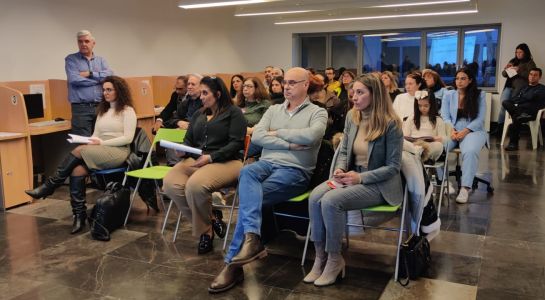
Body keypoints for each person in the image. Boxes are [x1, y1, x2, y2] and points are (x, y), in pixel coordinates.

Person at [208, 67, 328, 294]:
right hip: (266, 165)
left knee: (247, 198)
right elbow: (258, 136)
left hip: (295, 170)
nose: (287, 86)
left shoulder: (317, 113)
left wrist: (277, 133)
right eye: (285, 82)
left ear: (305, 85)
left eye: (293, 82)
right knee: (247, 172)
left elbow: (311, 137)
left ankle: (232, 264)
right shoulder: (273, 109)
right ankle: (252, 239)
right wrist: (290, 143)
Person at [304, 73, 403, 286]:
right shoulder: (352, 116)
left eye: (360, 92)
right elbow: (344, 149)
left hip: (378, 183)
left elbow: (393, 168)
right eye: (353, 93)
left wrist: (360, 177)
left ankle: (334, 258)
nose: (354, 97)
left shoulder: (391, 123)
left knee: (331, 201)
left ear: (375, 95)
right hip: (352, 175)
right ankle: (320, 257)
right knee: (314, 197)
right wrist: (340, 168)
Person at [25, 76, 137, 234]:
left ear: (119, 90)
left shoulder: (128, 111)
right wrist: (90, 141)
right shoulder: (102, 110)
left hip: (118, 151)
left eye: (109, 89)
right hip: (100, 149)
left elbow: (128, 138)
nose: (105, 93)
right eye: (104, 89)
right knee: (76, 171)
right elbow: (96, 134)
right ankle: (79, 215)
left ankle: (50, 186)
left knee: (78, 150)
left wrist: (101, 143)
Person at [162, 76, 246, 254]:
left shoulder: (234, 112)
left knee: (194, 185)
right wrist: (182, 150)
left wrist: (211, 157)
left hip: (227, 161)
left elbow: (236, 144)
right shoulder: (199, 114)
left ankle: (205, 234)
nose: (201, 97)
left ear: (217, 93)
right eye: (201, 93)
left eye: (205, 93)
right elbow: (189, 140)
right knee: (170, 183)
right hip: (197, 159)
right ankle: (211, 218)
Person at [440, 68, 487, 204]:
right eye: (457, 78)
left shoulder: (480, 95)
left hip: (473, 129)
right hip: (452, 129)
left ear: (470, 80)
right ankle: (443, 182)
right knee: (438, 148)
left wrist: (465, 131)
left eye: (463, 78)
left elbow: (480, 119)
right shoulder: (449, 94)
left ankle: (465, 188)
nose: (459, 81)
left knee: (470, 151)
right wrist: (452, 130)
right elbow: (445, 116)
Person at [65, 30, 113, 136]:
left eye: (86, 41)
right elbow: (74, 79)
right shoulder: (71, 59)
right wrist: (98, 81)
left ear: (93, 43)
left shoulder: (101, 60)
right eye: (80, 41)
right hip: (81, 109)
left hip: (101, 106)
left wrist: (90, 74)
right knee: (83, 144)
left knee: (103, 140)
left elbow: (109, 77)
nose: (83, 44)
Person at [497, 43, 536, 134]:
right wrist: (506, 69)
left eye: (520, 52)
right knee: (503, 105)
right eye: (516, 52)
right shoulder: (513, 60)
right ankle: (499, 129)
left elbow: (531, 76)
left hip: (520, 89)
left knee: (514, 107)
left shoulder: (530, 62)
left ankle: (513, 128)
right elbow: (504, 74)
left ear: (525, 52)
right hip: (508, 87)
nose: (518, 54)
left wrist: (519, 71)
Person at [502, 68, 545, 150]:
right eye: (531, 74)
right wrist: (525, 98)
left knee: (516, 117)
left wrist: (523, 98)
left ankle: (513, 143)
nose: (532, 77)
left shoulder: (542, 89)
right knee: (505, 102)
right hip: (521, 111)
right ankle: (519, 114)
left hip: (531, 113)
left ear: (539, 77)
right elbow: (515, 99)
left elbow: (531, 97)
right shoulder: (524, 87)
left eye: (535, 75)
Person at [403, 90, 447, 163]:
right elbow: (405, 136)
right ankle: (419, 155)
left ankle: (420, 155)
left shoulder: (438, 120)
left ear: (432, 105)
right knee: (402, 143)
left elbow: (444, 139)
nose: (422, 108)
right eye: (420, 106)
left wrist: (436, 138)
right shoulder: (411, 118)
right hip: (413, 145)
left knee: (438, 145)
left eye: (426, 106)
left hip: (429, 146)